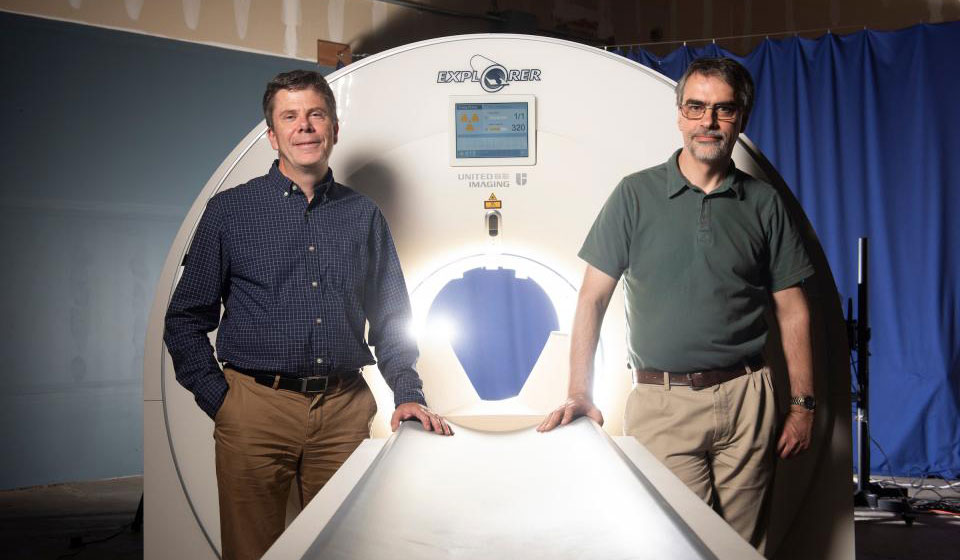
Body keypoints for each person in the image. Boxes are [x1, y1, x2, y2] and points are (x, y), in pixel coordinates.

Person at [164, 70, 452, 560]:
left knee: (342, 549)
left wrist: (408, 393)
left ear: (334, 129)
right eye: (290, 117)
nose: (305, 126)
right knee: (252, 553)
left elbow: (391, 319)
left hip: (343, 409)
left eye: (316, 115)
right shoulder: (230, 212)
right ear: (272, 135)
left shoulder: (364, 216)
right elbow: (185, 318)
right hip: (256, 408)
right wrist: (224, 401)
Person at [537, 57, 815, 552]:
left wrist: (802, 405)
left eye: (723, 109)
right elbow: (592, 298)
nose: (709, 121)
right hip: (662, 401)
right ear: (680, 115)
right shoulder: (634, 195)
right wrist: (579, 391)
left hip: (748, 396)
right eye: (696, 107)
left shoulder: (764, 203)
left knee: (743, 548)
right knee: (675, 545)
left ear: (741, 118)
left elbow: (792, 308)